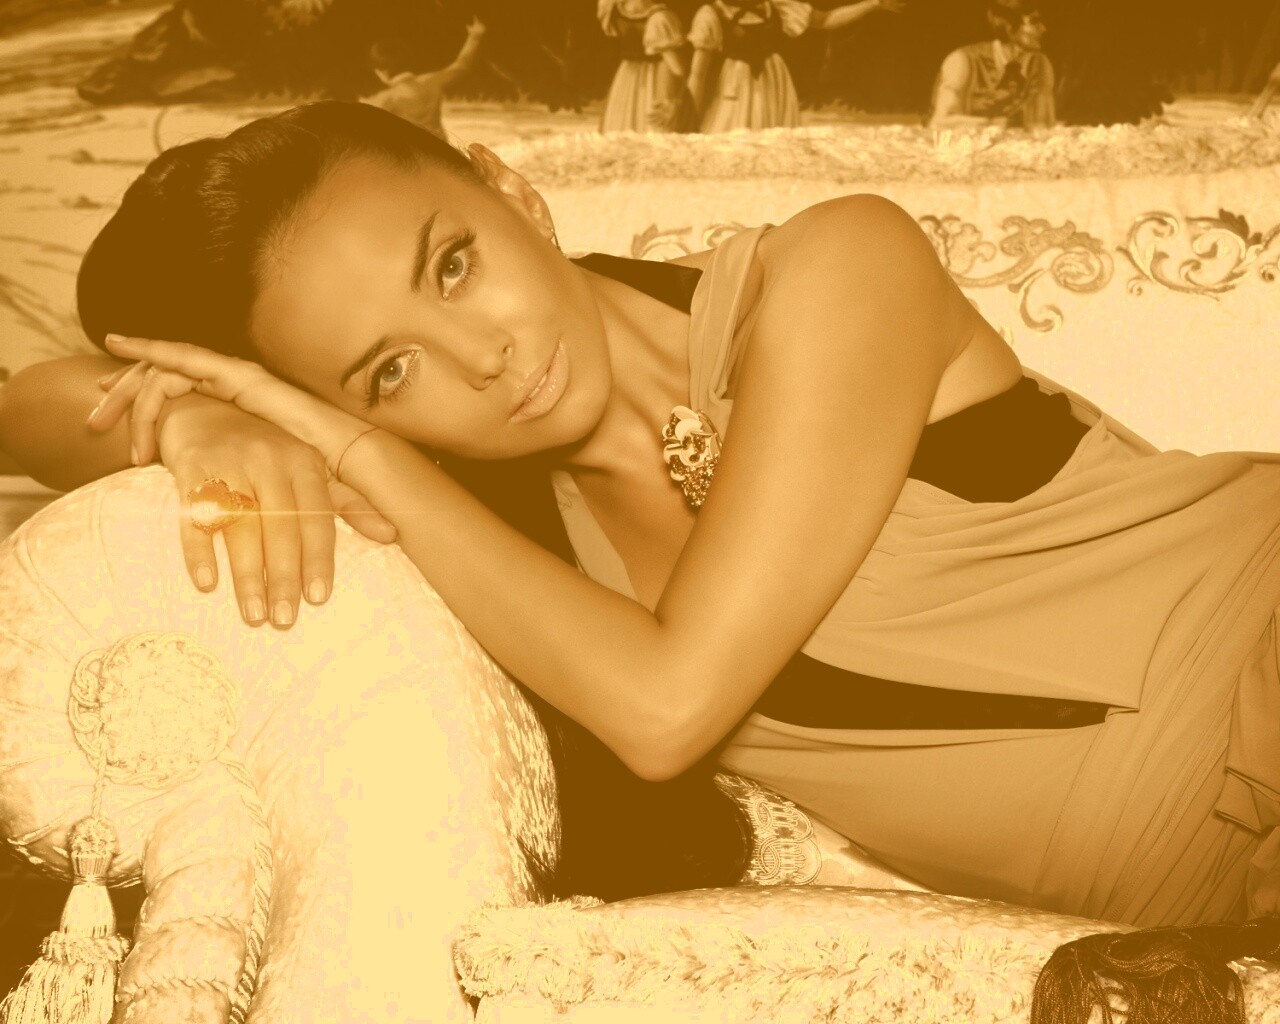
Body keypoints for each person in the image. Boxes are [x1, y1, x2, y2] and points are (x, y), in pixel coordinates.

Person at [2, 101, 1279, 1011]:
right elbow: (30, 405)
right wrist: (200, 419)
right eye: (388, 370)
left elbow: (668, 705)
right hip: (1209, 892)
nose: (481, 357)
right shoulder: (507, 542)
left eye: (453, 265)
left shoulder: (839, 265)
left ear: (511, 190)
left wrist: (355, 445)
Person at [688, 0, 905, 132]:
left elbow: (825, 20)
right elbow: (698, 74)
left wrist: (872, 4)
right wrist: (687, 116)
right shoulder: (711, 14)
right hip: (736, 83)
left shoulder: (776, 7)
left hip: (775, 82)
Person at [929, 0, 1054, 129]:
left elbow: (1042, 125)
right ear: (1009, 27)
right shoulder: (962, 60)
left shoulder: (1039, 64)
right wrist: (994, 124)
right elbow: (940, 123)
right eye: (1034, 22)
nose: (1043, 28)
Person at [364, 16, 486, 139]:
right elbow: (462, 64)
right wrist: (475, 36)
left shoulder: (387, 98)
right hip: (440, 145)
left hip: (412, 149)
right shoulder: (432, 81)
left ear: (382, 71)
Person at [598, 0, 694, 133]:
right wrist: (675, 98)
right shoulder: (660, 19)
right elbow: (677, 69)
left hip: (625, 79)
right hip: (656, 81)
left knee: (623, 126)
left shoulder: (613, 10)